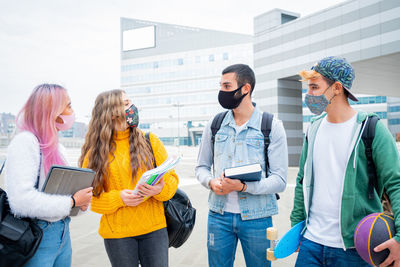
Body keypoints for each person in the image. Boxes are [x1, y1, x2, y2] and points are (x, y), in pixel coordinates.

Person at [290, 56, 400, 267]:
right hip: (310, 243)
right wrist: (297, 226)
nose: (308, 95)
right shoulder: (313, 129)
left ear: (337, 87)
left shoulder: (371, 129)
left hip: (354, 248)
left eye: (314, 87)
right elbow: (302, 180)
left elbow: (396, 184)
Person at [195, 64, 288, 267]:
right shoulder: (215, 124)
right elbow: (201, 167)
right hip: (218, 217)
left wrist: (244, 187)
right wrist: (211, 182)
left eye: (227, 86)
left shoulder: (271, 126)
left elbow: (280, 180)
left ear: (246, 88)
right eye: (220, 86)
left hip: (258, 218)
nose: (222, 92)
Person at [79, 89, 178, 267]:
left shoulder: (150, 140)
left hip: (154, 229)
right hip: (117, 234)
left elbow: (172, 181)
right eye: (125, 104)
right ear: (110, 112)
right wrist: (119, 198)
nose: (132, 108)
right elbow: (89, 199)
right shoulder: (94, 154)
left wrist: (159, 189)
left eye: (130, 102)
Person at [5, 83, 93, 267]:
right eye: (68, 105)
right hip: (36, 236)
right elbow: (21, 200)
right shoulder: (25, 143)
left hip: (62, 232)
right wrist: (72, 202)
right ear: (51, 111)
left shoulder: (57, 147)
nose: (72, 111)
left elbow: (62, 193)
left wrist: (80, 203)